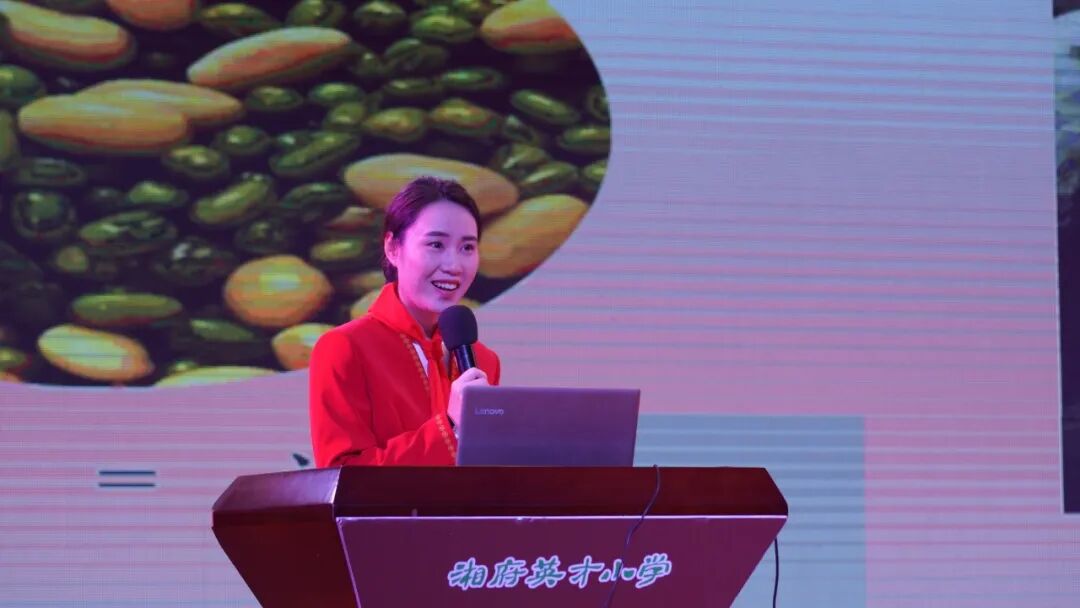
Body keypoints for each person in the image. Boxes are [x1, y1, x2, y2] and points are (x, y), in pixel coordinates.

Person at [308, 176, 500, 467]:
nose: (454, 266)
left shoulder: (483, 362)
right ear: (393, 248)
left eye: (467, 248)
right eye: (436, 244)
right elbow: (342, 476)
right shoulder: (345, 348)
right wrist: (450, 428)